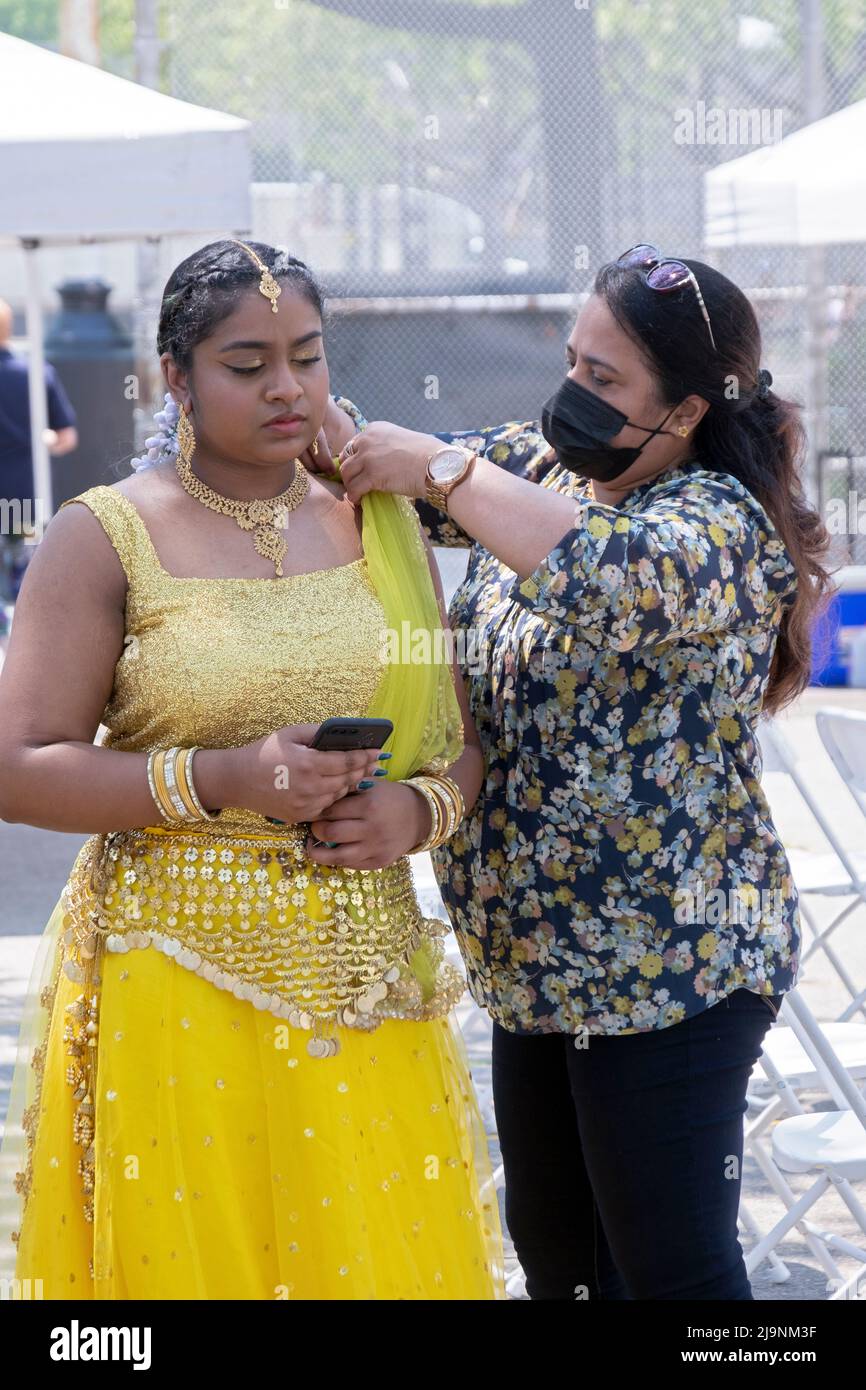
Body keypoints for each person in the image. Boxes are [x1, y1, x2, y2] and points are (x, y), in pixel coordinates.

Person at [307, 244, 833, 1299]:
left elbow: (597, 578)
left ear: (682, 411)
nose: (570, 396)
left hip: (668, 972)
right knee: (563, 1267)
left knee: (674, 1278)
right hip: (535, 970)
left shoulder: (712, 525)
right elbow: (367, 473)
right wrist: (300, 392)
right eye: (570, 361)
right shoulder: (544, 470)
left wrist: (444, 471)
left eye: (603, 380)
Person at [0, 239, 505, 1300]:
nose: (287, 387)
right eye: (245, 363)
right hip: (173, 974)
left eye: (308, 356)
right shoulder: (105, 537)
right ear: (174, 375)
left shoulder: (378, 522)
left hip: (367, 978)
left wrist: (411, 818)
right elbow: (19, 764)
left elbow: (459, 743)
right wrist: (221, 777)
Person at [0, 297, 78, 614]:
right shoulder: (35, 373)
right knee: (25, 585)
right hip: (25, 495)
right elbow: (66, 438)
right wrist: (41, 440)